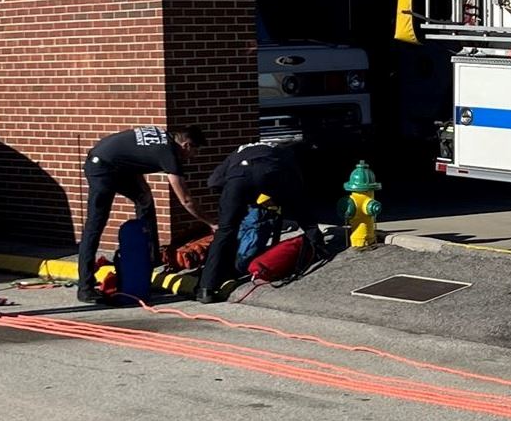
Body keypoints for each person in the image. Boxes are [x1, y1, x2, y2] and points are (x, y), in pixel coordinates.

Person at [198, 139, 333, 303]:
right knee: (299, 207)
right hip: (271, 173)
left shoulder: (238, 150)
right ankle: (318, 244)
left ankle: (207, 289)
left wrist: (236, 201)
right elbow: (296, 187)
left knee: (225, 231)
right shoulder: (284, 151)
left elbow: (213, 183)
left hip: (237, 178)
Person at [77, 125, 207, 294]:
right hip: (101, 167)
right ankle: (85, 286)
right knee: (95, 224)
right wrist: (210, 222)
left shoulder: (163, 137)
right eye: (195, 152)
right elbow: (186, 199)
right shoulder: (168, 153)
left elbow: (132, 156)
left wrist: (142, 189)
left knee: (145, 200)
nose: (194, 157)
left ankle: (149, 259)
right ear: (187, 145)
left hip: (118, 165)